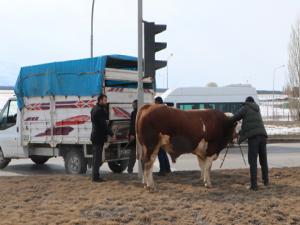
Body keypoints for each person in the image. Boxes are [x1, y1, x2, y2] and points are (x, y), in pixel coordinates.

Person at [230, 96, 269, 191]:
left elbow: (235, 117)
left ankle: (254, 185)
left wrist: (227, 122)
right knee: (263, 160)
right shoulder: (257, 109)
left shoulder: (246, 107)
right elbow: (250, 125)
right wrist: (241, 133)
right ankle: (266, 181)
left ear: (247, 102)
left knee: (253, 161)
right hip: (263, 136)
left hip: (254, 137)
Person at [90, 94, 114, 182]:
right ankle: (95, 177)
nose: (106, 102)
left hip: (96, 136)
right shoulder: (99, 110)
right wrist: (112, 134)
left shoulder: (94, 109)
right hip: (97, 137)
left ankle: (95, 176)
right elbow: (103, 125)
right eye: (104, 100)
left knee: (97, 158)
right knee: (97, 159)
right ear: (100, 100)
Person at [154, 96, 171, 176]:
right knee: (163, 151)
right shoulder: (165, 109)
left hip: (161, 134)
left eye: (155, 102)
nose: (154, 104)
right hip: (166, 134)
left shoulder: (159, 110)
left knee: (160, 152)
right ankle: (167, 168)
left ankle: (162, 170)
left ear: (157, 102)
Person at [127, 99, 138, 174]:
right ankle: (130, 169)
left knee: (133, 155)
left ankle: (130, 169)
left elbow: (133, 125)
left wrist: (132, 135)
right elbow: (132, 125)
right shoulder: (135, 113)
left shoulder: (135, 113)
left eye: (133, 105)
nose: (132, 106)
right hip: (137, 136)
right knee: (134, 155)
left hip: (135, 137)